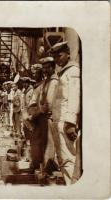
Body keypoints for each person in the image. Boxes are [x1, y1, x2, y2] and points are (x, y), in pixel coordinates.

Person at [50, 41, 81, 184]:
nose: (57, 59)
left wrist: (70, 123)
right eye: (54, 56)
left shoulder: (73, 71)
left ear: (68, 54)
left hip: (65, 122)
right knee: (62, 157)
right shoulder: (63, 72)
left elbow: (74, 97)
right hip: (58, 120)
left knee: (68, 158)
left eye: (59, 55)